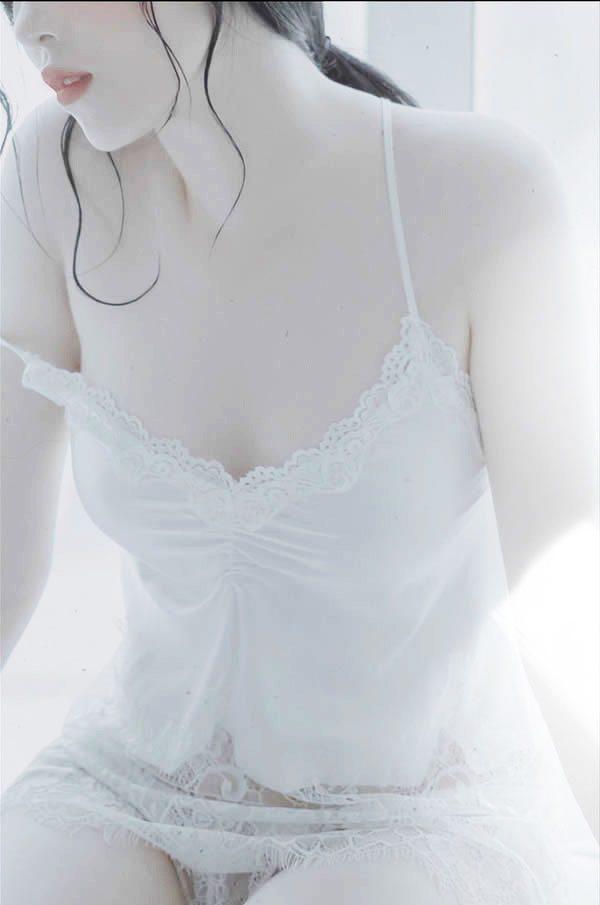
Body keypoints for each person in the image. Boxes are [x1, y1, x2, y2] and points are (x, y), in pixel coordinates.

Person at [1, 3, 598, 904]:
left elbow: (570, 620)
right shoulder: (52, 180)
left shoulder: (481, 196)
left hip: (408, 820)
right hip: (130, 787)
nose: (28, 26)